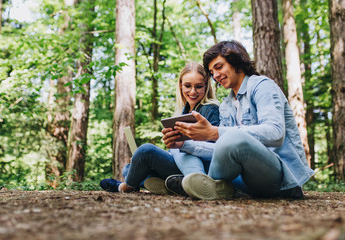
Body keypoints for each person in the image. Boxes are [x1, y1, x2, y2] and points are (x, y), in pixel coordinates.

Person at [164, 40, 315, 200]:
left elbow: (275, 133)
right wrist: (184, 145)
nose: (215, 76)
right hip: (248, 180)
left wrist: (215, 132)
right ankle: (208, 185)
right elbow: (223, 150)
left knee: (231, 137)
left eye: (219, 67)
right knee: (180, 147)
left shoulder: (262, 86)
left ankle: (206, 184)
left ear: (236, 61)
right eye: (212, 71)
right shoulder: (226, 106)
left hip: (279, 178)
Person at [100, 62, 220, 195]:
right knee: (129, 168)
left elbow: (213, 149)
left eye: (198, 87)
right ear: (180, 85)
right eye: (187, 86)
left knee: (146, 151)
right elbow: (176, 150)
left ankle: (124, 187)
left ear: (206, 86)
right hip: (179, 164)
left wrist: (183, 145)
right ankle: (173, 184)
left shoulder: (210, 109)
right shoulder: (183, 111)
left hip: (199, 168)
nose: (192, 92)